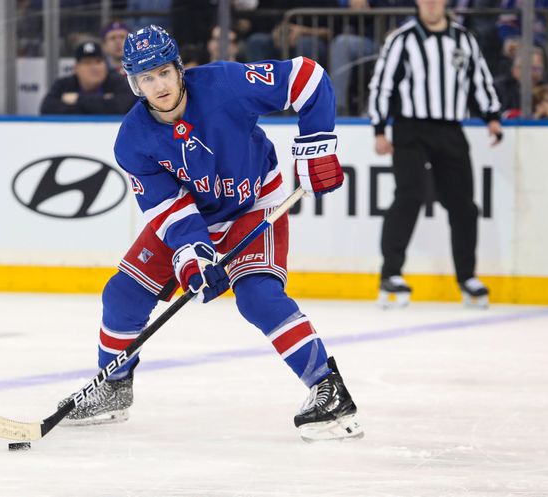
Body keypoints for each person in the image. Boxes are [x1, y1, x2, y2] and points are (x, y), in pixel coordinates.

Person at [57, 25, 362, 442]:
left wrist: (317, 147)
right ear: (134, 83)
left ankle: (328, 389)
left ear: (180, 68)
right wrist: (194, 258)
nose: (159, 85)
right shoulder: (132, 140)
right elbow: (169, 210)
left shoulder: (225, 84)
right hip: (197, 215)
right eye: (146, 78)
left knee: (258, 296)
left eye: (164, 72)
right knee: (122, 294)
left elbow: (308, 77)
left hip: (254, 205)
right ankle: (113, 386)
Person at [368, 0, 503, 308]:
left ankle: (467, 277)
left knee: (464, 205)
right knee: (410, 195)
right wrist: (379, 129)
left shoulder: (464, 39)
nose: (430, 4)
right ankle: (391, 273)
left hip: (450, 130)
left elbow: (479, 81)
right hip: (410, 129)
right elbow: (382, 86)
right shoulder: (401, 39)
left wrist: (492, 117)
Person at [40, 41, 136, 115]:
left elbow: (122, 108)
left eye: (98, 62)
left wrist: (77, 99)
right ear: (76, 68)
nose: (94, 67)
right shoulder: (63, 84)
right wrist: (102, 101)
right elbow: (46, 108)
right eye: (87, 63)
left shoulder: (117, 82)